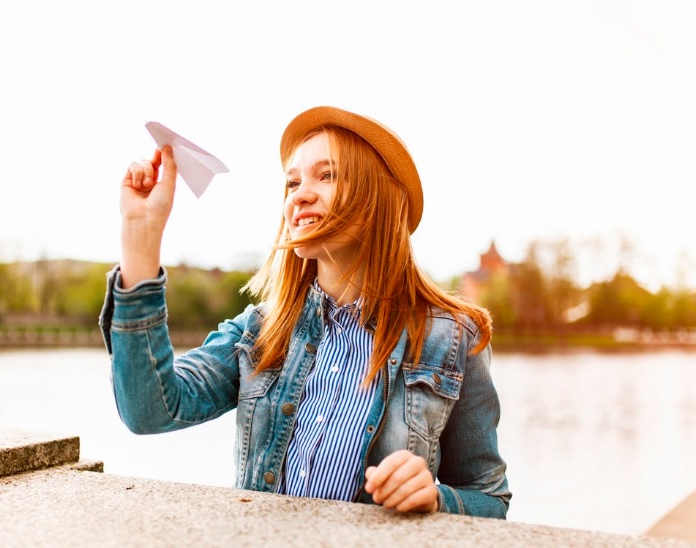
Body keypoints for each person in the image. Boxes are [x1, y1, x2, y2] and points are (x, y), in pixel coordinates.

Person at [99, 106, 511, 518]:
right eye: (292, 182)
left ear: (379, 196)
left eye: (326, 175)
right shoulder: (260, 330)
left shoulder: (454, 337)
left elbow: (489, 497)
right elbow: (150, 409)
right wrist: (141, 235)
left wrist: (436, 498)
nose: (299, 193)